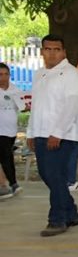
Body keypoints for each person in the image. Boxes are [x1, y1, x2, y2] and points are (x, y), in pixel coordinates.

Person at [27, 34, 78, 236]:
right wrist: (31, 133)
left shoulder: (71, 74)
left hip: (63, 135)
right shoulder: (40, 74)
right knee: (50, 176)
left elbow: (72, 106)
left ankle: (57, 220)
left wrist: (57, 133)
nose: (52, 53)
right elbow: (37, 107)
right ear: (42, 51)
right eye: (48, 49)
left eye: (56, 49)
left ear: (64, 52)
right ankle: (71, 213)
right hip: (41, 133)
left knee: (55, 175)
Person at [0, 62, 27, 197]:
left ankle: (5, 184)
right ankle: (13, 183)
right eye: (0, 75)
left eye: (6, 74)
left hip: (10, 130)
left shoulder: (15, 90)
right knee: (6, 156)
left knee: (5, 155)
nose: (3, 78)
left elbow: (23, 106)